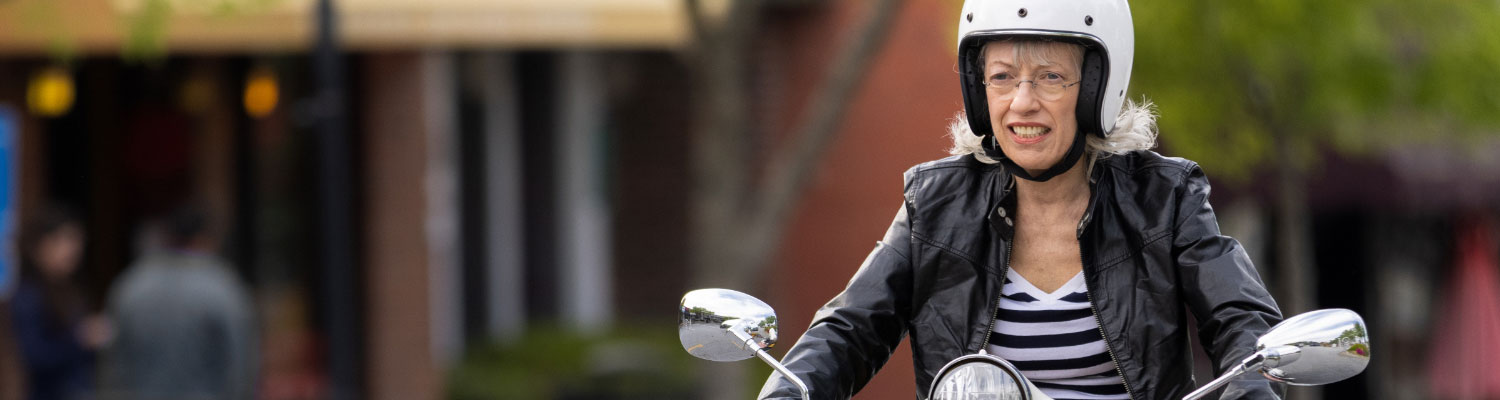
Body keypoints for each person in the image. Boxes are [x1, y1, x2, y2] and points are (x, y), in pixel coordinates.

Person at [758, 1, 1283, 399]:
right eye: (1002, 78)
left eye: (1051, 77)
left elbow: (1241, 322)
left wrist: (1252, 388)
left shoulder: (1164, 199)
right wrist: (789, 393)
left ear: (1098, 89)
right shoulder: (936, 206)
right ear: (978, 90)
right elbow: (849, 331)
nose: (1022, 103)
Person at [101, 205, 256, 400]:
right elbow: (240, 366)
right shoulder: (222, 286)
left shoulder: (131, 285)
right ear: (205, 238)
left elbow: (114, 365)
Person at [8, 206, 110, 400]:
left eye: (78, 241)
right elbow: (34, 355)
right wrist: (80, 338)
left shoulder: (70, 289)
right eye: (65, 240)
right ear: (41, 245)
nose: (74, 249)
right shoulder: (29, 294)